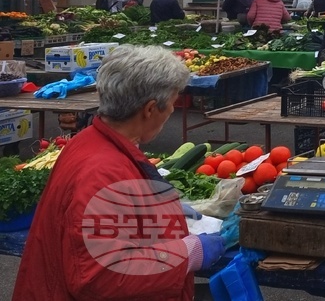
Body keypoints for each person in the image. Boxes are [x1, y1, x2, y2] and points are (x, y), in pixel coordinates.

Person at [14, 45, 225, 299]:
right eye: (172, 104)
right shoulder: (102, 172)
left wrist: (155, 209)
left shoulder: (91, 140)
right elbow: (101, 276)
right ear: (149, 109)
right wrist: (189, 253)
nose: (172, 111)